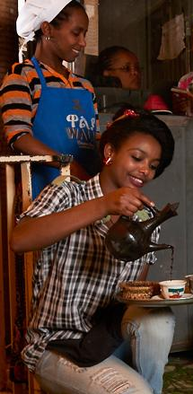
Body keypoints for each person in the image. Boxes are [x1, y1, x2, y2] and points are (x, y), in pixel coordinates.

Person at [10, 108, 176, 394]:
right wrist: (103, 205)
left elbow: (132, 297)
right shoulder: (68, 193)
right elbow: (20, 240)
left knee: (158, 319)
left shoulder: (145, 222)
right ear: (109, 152)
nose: (144, 170)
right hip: (59, 346)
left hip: (109, 339)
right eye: (137, 158)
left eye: (153, 165)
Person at [2, 0, 101, 198]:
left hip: (86, 190)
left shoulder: (85, 87)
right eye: (76, 33)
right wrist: (67, 165)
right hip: (42, 193)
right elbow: (19, 137)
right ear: (47, 29)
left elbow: (95, 141)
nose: (82, 42)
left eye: (84, 34)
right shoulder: (22, 76)